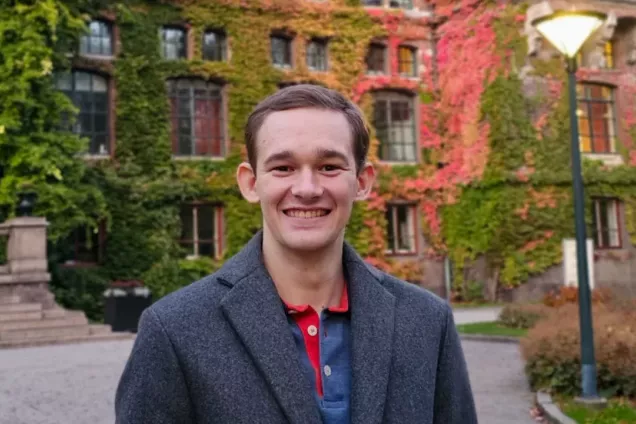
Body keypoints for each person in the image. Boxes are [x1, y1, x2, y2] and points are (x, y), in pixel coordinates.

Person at [115, 84, 477, 424]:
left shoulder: (428, 322)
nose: (307, 189)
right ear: (251, 182)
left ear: (362, 182)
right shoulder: (175, 330)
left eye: (329, 167)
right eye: (283, 168)